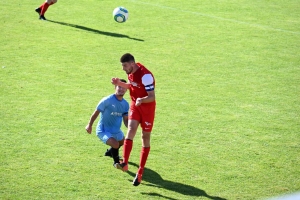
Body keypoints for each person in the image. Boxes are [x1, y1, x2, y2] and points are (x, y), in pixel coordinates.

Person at [111, 53, 156, 186]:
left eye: (125, 66)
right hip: (136, 106)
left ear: (132, 64)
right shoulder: (131, 72)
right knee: (131, 129)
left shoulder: (146, 76)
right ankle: (124, 162)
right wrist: (119, 83)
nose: (123, 69)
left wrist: (142, 100)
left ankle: (140, 172)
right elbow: (132, 85)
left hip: (147, 109)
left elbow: (152, 96)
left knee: (145, 137)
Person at [85, 79, 129, 167]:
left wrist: (130, 127)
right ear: (115, 87)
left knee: (122, 142)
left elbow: (125, 119)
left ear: (126, 90)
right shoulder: (107, 100)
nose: (121, 89)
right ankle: (116, 163)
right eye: (119, 87)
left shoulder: (125, 104)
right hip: (103, 130)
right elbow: (96, 112)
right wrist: (89, 125)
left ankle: (110, 152)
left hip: (116, 130)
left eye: (124, 87)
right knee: (116, 144)